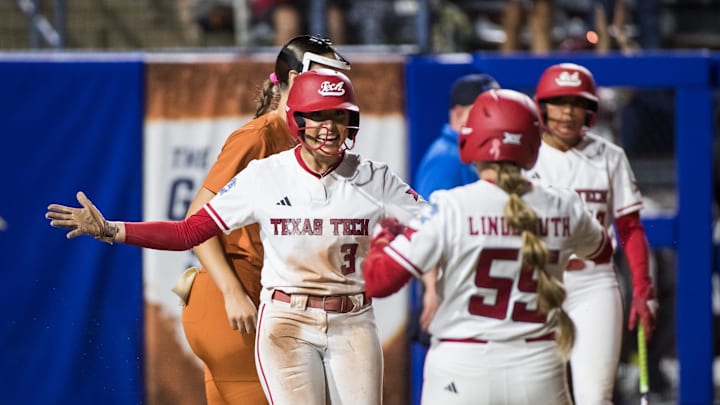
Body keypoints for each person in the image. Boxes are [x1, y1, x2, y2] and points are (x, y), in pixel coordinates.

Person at [46, 68, 426, 404]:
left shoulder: (374, 177)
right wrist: (113, 230)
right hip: (287, 321)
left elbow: (435, 225)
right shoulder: (264, 175)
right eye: (317, 115)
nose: (329, 126)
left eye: (338, 115)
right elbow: (189, 231)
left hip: (353, 318)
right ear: (297, 120)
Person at [360, 89, 614, 405]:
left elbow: (378, 281)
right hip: (538, 365)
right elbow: (602, 251)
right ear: (532, 145)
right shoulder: (564, 204)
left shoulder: (450, 206)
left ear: (471, 140)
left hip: (461, 367)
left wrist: (385, 238)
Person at [180, 34, 351, 405]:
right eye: (324, 77)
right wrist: (232, 293)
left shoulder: (301, 140)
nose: (333, 89)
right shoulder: (260, 136)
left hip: (243, 305)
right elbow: (197, 219)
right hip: (235, 305)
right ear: (294, 80)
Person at [526, 62, 658, 404]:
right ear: (542, 106)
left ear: (590, 109)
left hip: (594, 283)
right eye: (559, 102)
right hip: (537, 283)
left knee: (595, 397)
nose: (568, 112)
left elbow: (630, 228)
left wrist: (643, 288)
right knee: (539, 396)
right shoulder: (525, 156)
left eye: (577, 102)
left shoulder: (609, 156)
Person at [410, 72, 500, 404]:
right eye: (483, 109)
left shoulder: (471, 154)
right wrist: (431, 289)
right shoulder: (446, 159)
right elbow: (427, 230)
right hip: (453, 295)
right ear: (459, 114)